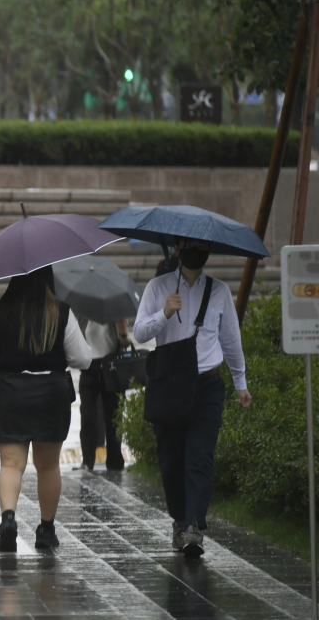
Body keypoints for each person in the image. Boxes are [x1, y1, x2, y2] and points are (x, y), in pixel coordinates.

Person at [133, 238, 250, 557]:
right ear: (178, 249)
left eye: (202, 246)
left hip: (207, 386)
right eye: (190, 245)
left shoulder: (220, 291)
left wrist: (240, 382)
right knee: (171, 460)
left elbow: (230, 339)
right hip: (169, 386)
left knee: (199, 457)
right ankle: (180, 519)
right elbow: (140, 333)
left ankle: (193, 528)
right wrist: (164, 313)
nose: (195, 251)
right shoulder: (158, 288)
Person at [0, 266, 91, 552]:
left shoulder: (0, 310)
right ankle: (46, 529)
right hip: (50, 394)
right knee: (48, 466)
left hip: (10, 391)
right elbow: (83, 359)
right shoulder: (61, 312)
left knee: (11, 465)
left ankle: (8, 519)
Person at [77, 318, 130, 472]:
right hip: (89, 368)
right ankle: (87, 461)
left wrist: (122, 331)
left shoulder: (115, 313)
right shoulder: (83, 315)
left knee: (114, 416)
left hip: (111, 367)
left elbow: (126, 345)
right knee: (87, 415)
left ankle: (115, 463)